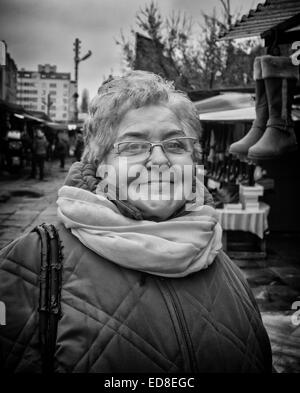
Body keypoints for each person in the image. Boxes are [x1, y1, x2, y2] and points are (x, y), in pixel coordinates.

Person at [0, 71, 272, 373]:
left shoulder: (221, 262)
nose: (159, 160)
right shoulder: (30, 265)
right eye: (133, 146)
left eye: (175, 145)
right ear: (100, 164)